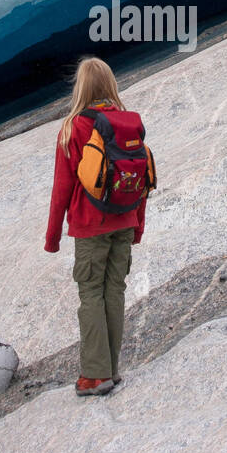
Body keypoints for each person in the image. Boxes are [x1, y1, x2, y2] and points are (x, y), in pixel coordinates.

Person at [45, 56, 147, 396]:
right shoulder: (127, 123)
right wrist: (138, 226)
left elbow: (62, 188)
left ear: (81, 87)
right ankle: (111, 371)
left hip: (91, 226)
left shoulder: (73, 128)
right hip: (124, 219)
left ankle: (94, 375)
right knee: (114, 291)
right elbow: (141, 177)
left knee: (91, 294)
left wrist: (53, 236)